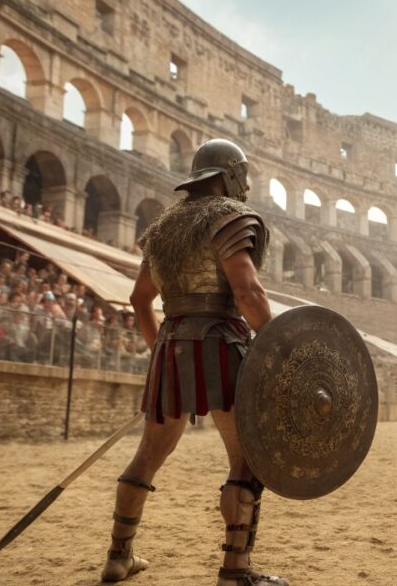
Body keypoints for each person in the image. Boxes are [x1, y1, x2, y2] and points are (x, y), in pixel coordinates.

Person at [100, 139, 284, 585]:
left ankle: (118, 556)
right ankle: (235, 570)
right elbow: (247, 292)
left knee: (147, 454)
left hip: (171, 345)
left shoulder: (164, 229)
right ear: (231, 175)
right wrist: (280, 345)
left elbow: (139, 299)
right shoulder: (230, 216)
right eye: (244, 174)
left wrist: (160, 352)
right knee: (246, 460)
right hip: (222, 344)